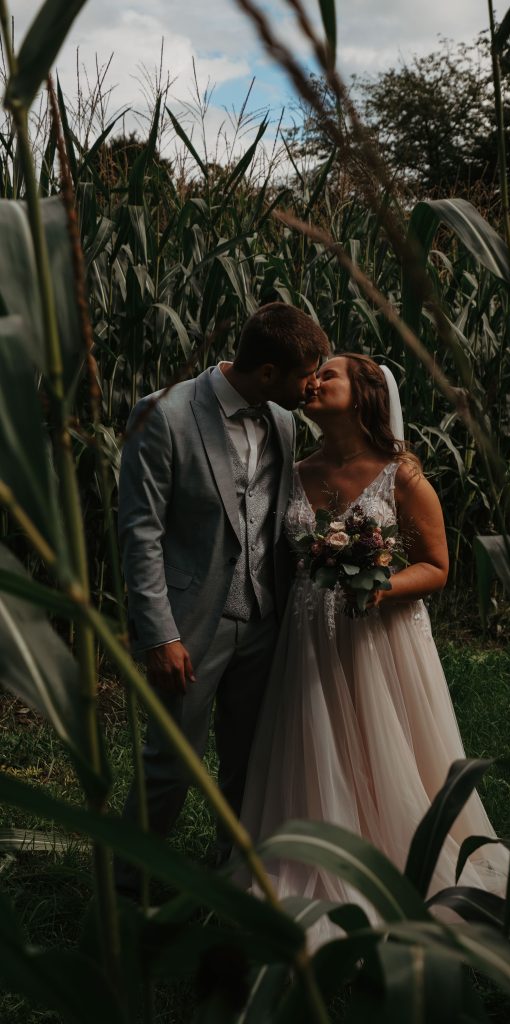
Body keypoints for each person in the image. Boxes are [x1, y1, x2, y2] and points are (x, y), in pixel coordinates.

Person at [237, 354, 510, 936]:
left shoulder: (401, 476)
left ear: (365, 393)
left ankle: (401, 852)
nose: (314, 380)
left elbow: (437, 566)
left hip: (381, 633)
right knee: (316, 736)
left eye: (329, 374)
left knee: (387, 742)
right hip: (309, 635)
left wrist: (379, 588)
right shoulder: (295, 472)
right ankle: (318, 850)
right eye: (314, 373)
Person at [115, 302, 330, 894]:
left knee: (252, 763)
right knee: (171, 763)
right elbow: (140, 533)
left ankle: (234, 878)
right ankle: (129, 887)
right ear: (268, 373)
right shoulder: (163, 414)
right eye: (306, 375)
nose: (312, 386)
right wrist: (159, 633)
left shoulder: (283, 420)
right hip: (188, 626)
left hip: (265, 620)